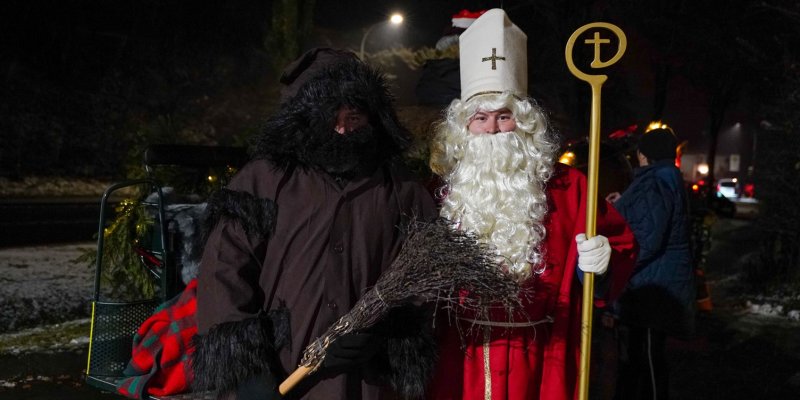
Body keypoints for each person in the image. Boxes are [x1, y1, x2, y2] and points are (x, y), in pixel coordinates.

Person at [191, 48, 438, 400]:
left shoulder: (402, 191)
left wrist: (384, 337)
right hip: (281, 376)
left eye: (353, 117)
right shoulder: (263, 181)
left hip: (366, 385)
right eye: (329, 117)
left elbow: (423, 281)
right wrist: (249, 373)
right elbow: (223, 273)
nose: (342, 129)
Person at [426, 9, 637, 400]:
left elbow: (619, 246)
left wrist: (601, 264)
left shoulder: (569, 187)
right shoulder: (439, 192)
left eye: (504, 116)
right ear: (463, 126)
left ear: (524, 123)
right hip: (461, 358)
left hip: (542, 356)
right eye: (480, 117)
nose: (492, 129)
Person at [605, 127, 695, 400]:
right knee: (643, 354)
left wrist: (616, 267)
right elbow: (653, 218)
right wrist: (625, 202)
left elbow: (646, 238)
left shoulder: (654, 181)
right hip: (658, 281)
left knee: (645, 356)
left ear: (644, 155)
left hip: (651, 286)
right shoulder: (666, 178)